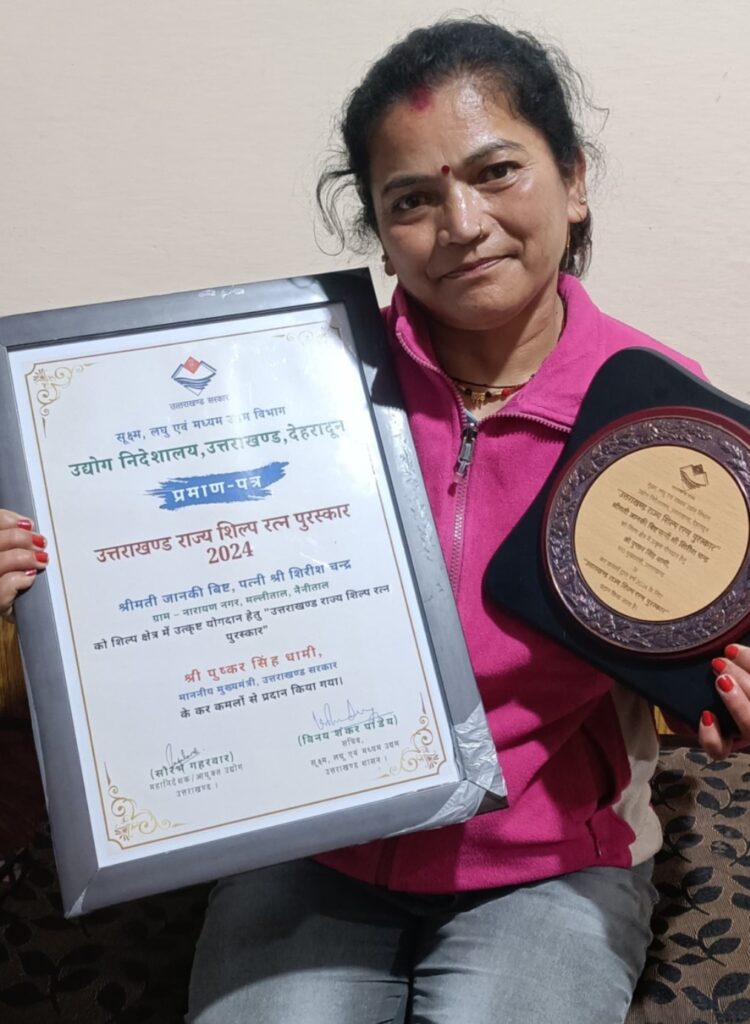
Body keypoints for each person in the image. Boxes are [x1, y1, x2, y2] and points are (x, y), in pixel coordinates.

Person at [2, 17, 749, 1024]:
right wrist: (44, 563)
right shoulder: (283, 390)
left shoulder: (663, 424)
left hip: (547, 864)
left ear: (573, 180)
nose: (463, 223)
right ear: (380, 231)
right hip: (308, 847)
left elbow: (693, 644)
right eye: (413, 199)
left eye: (497, 172)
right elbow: (152, 556)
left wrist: (719, 686)